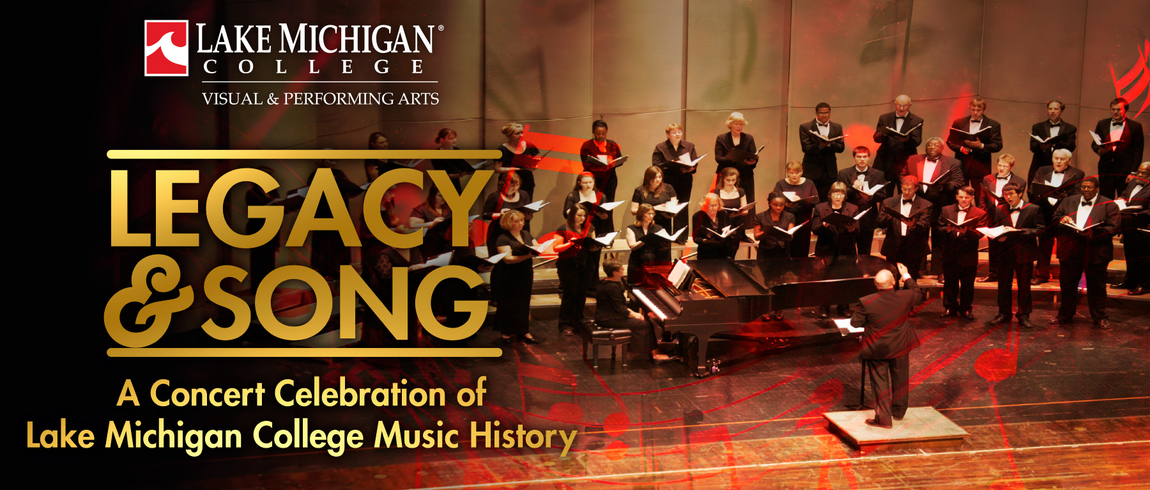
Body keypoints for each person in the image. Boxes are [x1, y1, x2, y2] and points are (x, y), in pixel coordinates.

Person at [851, 262, 922, 429]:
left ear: (876, 285)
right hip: (900, 345)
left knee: (880, 382)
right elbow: (918, 293)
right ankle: (898, 413)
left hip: (877, 348)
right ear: (893, 283)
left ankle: (883, 419)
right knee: (900, 380)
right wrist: (906, 276)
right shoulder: (906, 296)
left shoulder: (866, 302)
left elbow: (855, 323)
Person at [1051, 178, 1120, 329]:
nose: (1086, 190)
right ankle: (1065, 314)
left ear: (1097, 189)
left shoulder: (1109, 204)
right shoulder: (1068, 201)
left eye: (1089, 187)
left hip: (1096, 251)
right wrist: (1062, 219)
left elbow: (1113, 228)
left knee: (1097, 286)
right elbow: (1055, 218)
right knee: (1068, 285)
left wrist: (1092, 232)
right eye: (1083, 187)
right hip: (1071, 249)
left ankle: (1099, 316)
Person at [904, 137, 963, 277]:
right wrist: (910, 183)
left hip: (941, 205)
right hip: (918, 206)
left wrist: (942, 186)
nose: (932, 147)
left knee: (940, 240)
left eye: (936, 145)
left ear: (942, 149)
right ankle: (917, 270)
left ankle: (939, 271)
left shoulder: (953, 162)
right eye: (929, 144)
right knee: (918, 238)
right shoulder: (913, 159)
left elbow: (958, 182)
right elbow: (902, 175)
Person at [987, 183, 1044, 329]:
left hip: (1024, 253)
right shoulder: (1000, 209)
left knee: (1024, 286)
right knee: (1003, 285)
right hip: (1005, 253)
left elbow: (1040, 230)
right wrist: (997, 236)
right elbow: (996, 227)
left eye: (1011, 194)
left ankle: (1024, 315)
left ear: (1020, 193)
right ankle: (1004, 313)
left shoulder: (1033, 209)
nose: (1008, 197)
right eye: (1006, 194)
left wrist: (1019, 232)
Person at [1029, 149, 1085, 284]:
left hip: (1064, 214)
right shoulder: (1042, 170)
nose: (1058, 161)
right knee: (1044, 246)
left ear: (1069, 161)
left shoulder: (1078, 173)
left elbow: (1078, 194)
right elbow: (1032, 190)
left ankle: (1066, 276)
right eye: (1056, 158)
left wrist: (1065, 196)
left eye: (1062, 159)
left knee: (1064, 247)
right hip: (1045, 213)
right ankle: (1041, 275)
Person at [596, 258, 668, 362]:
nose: (623, 270)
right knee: (646, 324)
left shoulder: (604, 282)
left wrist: (633, 313)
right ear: (615, 272)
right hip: (609, 319)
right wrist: (634, 315)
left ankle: (647, 349)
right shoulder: (613, 288)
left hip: (605, 315)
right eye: (621, 269)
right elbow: (620, 309)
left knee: (643, 321)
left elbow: (617, 306)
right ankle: (655, 354)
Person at [308, 158, 364, 279]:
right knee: (324, 241)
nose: (333, 163)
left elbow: (348, 187)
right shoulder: (315, 174)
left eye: (334, 160)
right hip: (323, 213)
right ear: (322, 160)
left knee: (339, 241)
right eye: (330, 160)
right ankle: (323, 269)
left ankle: (337, 269)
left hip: (339, 211)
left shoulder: (339, 173)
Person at [938, 186, 987, 320]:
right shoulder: (946, 210)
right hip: (950, 252)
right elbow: (939, 228)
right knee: (949, 282)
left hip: (968, 253)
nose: (963, 200)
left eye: (966, 197)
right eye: (961, 197)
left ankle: (966, 309)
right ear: (956, 196)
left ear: (972, 198)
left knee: (967, 283)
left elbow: (980, 233)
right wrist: (947, 230)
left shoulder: (980, 213)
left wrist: (968, 232)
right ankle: (950, 307)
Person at [492, 210, 541, 343]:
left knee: (523, 302)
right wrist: (527, 255)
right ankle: (506, 331)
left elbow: (537, 247)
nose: (520, 223)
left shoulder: (525, 234)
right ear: (508, 223)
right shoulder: (503, 238)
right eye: (516, 221)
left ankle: (523, 330)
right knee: (508, 302)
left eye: (521, 221)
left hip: (525, 272)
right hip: (508, 274)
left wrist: (541, 249)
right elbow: (507, 259)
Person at [812, 182, 859, 318]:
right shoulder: (820, 208)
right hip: (826, 249)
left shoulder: (852, 208)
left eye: (841, 194)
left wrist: (851, 228)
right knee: (826, 279)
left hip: (845, 249)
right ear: (830, 195)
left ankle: (843, 307)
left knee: (844, 279)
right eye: (835, 193)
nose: (838, 197)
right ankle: (824, 308)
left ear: (845, 196)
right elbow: (814, 229)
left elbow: (858, 232)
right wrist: (825, 224)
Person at [979, 154, 1026, 282]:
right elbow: (982, 199)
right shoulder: (987, 179)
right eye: (999, 165)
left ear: (1011, 167)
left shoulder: (1020, 181)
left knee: (1008, 245)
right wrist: (984, 216)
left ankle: (1007, 273)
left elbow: (1018, 201)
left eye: (1005, 166)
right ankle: (993, 273)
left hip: (1009, 217)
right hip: (991, 216)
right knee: (993, 246)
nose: (1001, 168)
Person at [554, 203, 599, 335]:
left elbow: (593, 242)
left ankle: (578, 320)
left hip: (586, 264)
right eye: (579, 215)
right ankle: (565, 323)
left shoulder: (590, 227)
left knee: (581, 294)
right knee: (569, 294)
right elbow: (556, 248)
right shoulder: (563, 228)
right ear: (572, 215)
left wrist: (595, 247)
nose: (582, 218)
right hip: (568, 265)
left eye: (584, 215)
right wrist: (570, 243)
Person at [563, 172, 612, 294]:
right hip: (578, 229)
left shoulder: (601, 196)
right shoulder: (573, 195)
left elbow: (606, 216)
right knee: (578, 258)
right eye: (585, 182)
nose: (588, 185)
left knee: (594, 259)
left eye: (590, 182)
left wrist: (602, 214)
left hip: (595, 229)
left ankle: (592, 286)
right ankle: (575, 286)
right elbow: (566, 212)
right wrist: (576, 212)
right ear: (579, 183)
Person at [878, 175, 932, 279]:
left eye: (910, 189)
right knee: (892, 279)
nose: (906, 192)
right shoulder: (889, 202)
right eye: (904, 189)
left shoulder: (925, 205)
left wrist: (913, 225)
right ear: (901, 186)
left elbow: (924, 225)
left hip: (914, 247)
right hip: (893, 246)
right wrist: (890, 216)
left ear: (916, 189)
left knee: (911, 280)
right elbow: (880, 222)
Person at [1092, 97, 1145, 199]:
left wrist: (1133, 172)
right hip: (1106, 168)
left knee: (1124, 198)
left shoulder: (1135, 126)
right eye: (1113, 109)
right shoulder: (1102, 124)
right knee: (1105, 199)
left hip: (1125, 170)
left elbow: (1138, 151)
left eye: (1119, 109)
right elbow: (1094, 144)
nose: (1115, 112)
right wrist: (1100, 150)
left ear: (1126, 110)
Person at [753, 194, 796, 320]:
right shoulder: (760, 216)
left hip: (782, 252)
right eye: (776, 205)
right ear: (769, 204)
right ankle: (765, 309)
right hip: (766, 251)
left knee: (781, 282)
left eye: (781, 205)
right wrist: (766, 231)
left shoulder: (789, 216)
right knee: (765, 281)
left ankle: (778, 308)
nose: (778, 207)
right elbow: (756, 236)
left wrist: (786, 234)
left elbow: (790, 235)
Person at [838, 146, 887, 255]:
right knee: (847, 251)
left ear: (869, 158)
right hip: (849, 216)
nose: (862, 159)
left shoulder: (878, 174)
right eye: (859, 157)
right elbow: (839, 194)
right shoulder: (844, 173)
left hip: (868, 217)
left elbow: (883, 195)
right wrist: (852, 188)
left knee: (865, 252)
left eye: (865, 157)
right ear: (854, 158)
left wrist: (871, 196)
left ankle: (865, 272)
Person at [946, 97, 1003, 190]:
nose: (975, 112)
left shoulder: (993, 124)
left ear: (983, 110)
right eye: (973, 110)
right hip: (962, 162)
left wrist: (981, 146)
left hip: (981, 164)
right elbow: (950, 141)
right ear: (969, 109)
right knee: (960, 192)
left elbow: (998, 145)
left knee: (981, 194)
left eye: (978, 110)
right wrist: (961, 149)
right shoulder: (959, 122)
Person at [653, 123, 698, 238]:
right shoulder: (660, 147)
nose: (677, 134)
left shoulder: (689, 146)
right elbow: (656, 165)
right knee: (667, 206)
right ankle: (665, 235)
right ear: (668, 135)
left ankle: (681, 237)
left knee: (682, 207)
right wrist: (670, 165)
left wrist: (690, 169)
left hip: (685, 180)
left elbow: (695, 162)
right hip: (668, 181)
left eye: (679, 131)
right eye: (674, 132)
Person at [799, 102, 846, 201]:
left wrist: (829, 144)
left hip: (829, 171)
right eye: (821, 113)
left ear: (830, 113)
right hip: (811, 170)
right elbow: (806, 148)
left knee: (827, 201)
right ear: (816, 113)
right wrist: (820, 146)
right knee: (809, 201)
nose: (824, 115)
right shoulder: (805, 127)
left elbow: (841, 147)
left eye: (826, 113)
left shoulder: (837, 127)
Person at [1116, 162, 1150, 294]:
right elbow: (1125, 196)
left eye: (1144, 173)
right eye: (1139, 172)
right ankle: (1129, 281)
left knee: (1144, 258)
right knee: (1130, 256)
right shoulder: (1132, 183)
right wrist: (1120, 201)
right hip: (1128, 226)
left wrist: (1137, 213)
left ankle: (1145, 284)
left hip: (1143, 227)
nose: (1140, 175)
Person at [773, 160, 819, 258]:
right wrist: (785, 204)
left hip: (803, 221)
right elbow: (773, 201)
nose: (794, 175)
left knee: (802, 248)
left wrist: (803, 201)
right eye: (791, 173)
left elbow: (816, 201)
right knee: (785, 247)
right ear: (787, 172)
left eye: (797, 173)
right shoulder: (781, 184)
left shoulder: (809, 183)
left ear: (801, 172)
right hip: (785, 220)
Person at [246, 166, 281, 290]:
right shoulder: (252, 192)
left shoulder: (273, 192)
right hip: (257, 229)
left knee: (269, 259)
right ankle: (257, 287)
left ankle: (269, 286)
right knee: (258, 260)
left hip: (271, 228)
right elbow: (260, 208)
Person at [481, 171, 532, 255]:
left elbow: (529, 213)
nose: (514, 188)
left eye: (517, 185)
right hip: (498, 232)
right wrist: (501, 214)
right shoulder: (495, 196)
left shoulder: (524, 194)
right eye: (511, 185)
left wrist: (527, 216)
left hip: (519, 232)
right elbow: (485, 214)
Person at [872, 95, 923, 178]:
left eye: (905, 106)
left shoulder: (917, 120)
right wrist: (883, 134)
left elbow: (917, 141)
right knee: (884, 189)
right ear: (895, 104)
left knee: (905, 189)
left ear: (910, 105)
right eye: (899, 105)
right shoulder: (884, 118)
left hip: (905, 162)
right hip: (885, 161)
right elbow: (877, 138)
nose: (901, 108)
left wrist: (907, 139)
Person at [715, 112, 760, 207]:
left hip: (745, 175)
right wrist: (733, 158)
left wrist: (753, 162)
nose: (739, 126)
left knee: (747, 203)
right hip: (727, 175)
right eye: (736, 124)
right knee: (723, 202)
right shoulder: (721, 138)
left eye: (741, 124)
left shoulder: (748, 138)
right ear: (730, 124)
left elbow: (754, 155)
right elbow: (718, 158)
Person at [1027, 100, 1077, 185]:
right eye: (1050, 109)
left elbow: (1071, 146)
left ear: (1061, 111)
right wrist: (1042, 147)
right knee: (1035, 191)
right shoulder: (1038, 127)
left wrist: (1054, 144)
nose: (1052, 111)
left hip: (1061, 166)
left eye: (1056, 109)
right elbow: (1032, 146)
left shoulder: (1070, 128)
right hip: (1040, 164)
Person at [626, 203, 672, 284]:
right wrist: (644, 240)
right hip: (638, 262)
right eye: (648, 214)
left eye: (652, 213)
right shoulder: (631, 228)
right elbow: (632, 246)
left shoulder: (658, 228)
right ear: (641, 214)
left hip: (653, 262)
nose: (651, 216)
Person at [581, 119, 623, 202]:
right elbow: (585, 164)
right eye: (598, 134)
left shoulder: (612, 144)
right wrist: (599, 164)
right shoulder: (587, 145)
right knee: (595, 203)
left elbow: (619, 159)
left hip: (610, 180)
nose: (601, 136)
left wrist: (612, 163)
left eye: (603, 134)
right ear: (593, 132)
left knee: (609, 203)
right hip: (594, 180)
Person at [630, 165, 679, 235]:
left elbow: (674, 207)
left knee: (664, 244)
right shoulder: (639, 191)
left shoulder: (668, 188)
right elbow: (633, 210)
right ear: (648, 178)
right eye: (655, 177)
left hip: (664, 223)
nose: (658, 180)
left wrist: (671, 214)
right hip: (645, 225)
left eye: (660, 177)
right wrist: (653, 208)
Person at [495, 122, 539, 197]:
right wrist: (518, 169)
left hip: (527, 182)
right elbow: (497, 169)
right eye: (517, 133)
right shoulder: (502, 149)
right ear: (509, 135)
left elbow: (534, 165)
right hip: (509, 183)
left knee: (526, 205)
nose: (521, 135)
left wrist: (533, 166)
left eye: (522, 132)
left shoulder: (529, 145)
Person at [409, 185, 452, 259]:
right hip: (431, 245)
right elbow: (413, 225)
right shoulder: (422, 209)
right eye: (440, 196)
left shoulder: (448, 207)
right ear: (433, 196)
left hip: (447, 243)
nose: (444, 198)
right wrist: (432, 223)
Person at [693, 193, 738, 260]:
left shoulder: (723, 214)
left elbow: (733, 230)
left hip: (724, 252)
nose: (714, 208)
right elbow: (695, 238)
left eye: (716, 205)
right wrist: (705, 241)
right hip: (706, 253)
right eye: (711, 205)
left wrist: (729, 231)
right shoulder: (698, 216)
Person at [432, 128, 474, 193]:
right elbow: (443, 175)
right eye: (451, 139)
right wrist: (461, 174)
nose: (454, 140)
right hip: (441, 186)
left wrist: (470, 169)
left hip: (455, 184)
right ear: (442, 140)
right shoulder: (436, 155)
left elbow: (462, 165)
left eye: (455, 138)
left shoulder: (456, 150)